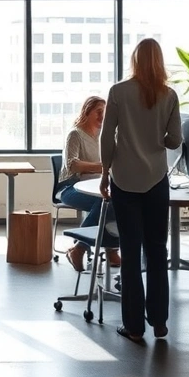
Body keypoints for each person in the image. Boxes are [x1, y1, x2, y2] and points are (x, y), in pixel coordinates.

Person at [99, 38, 182, 343]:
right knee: (157, 251)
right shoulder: (170, 95)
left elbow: (107, 137)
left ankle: (134, 327)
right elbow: (175, 141)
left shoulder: (118, 91)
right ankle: (159, 321)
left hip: (125, 181)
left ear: (134, 59)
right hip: (157, 180)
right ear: (160, 61)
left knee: (131, 253)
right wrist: (155, 134)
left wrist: (104, 172)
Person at [59, 95, 121, 271]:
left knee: (116, 201)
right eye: (98, 112)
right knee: (104, 203)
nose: (102, 116)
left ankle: (108, 249)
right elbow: (73, 165)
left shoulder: (105, 135)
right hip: (71, 187)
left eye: (105, 112)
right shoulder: (75, 134)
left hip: (95, 186)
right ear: (87, 112)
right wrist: (102, 167)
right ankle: (82, 249)